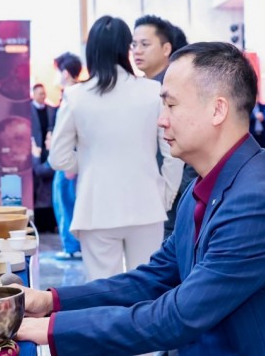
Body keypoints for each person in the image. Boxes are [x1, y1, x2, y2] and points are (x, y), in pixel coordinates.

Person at [16, 42, 265, 355]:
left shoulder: (259, 204)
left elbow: (176, 318)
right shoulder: (200, 189)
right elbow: (153, 280)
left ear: (217, 110)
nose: (161, 119)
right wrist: (50, 301)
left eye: (171, 105)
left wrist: (47, 329)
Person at [49, 16, 182, 281]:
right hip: (147, 204)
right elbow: (172, 151)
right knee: (147, 286)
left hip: (96, 207)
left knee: (102, 289)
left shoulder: (75, 96)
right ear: (126, 48)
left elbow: (58, 158)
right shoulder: (152, 91)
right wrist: (166, 194)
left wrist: (87, 162)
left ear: (91, 50)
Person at [132, 14, 197, 240]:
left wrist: (180, 192)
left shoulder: (176, 87)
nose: (137, 51)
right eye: (134, 45)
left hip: (173, 195)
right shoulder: (142, 89)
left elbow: (191, 139)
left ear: (166, 48)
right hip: (150, 194)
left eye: (145, 44)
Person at [50, 53, 83, 260]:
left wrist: (72, 162)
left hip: (68, 161)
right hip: (67, 159)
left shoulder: (73, 95)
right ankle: (71, 246)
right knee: (63, 201)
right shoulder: (73, 94)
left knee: (66, 202)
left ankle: (72, 247)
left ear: (65, 73)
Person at [30, 83, 57, 233]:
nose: (42, 96)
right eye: (40, 93)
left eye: (43, 93)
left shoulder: (51, 110)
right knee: (37, 183)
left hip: (48, 150)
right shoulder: (28, 109)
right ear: (34, 94)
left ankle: (50, 222)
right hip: (35, 149)